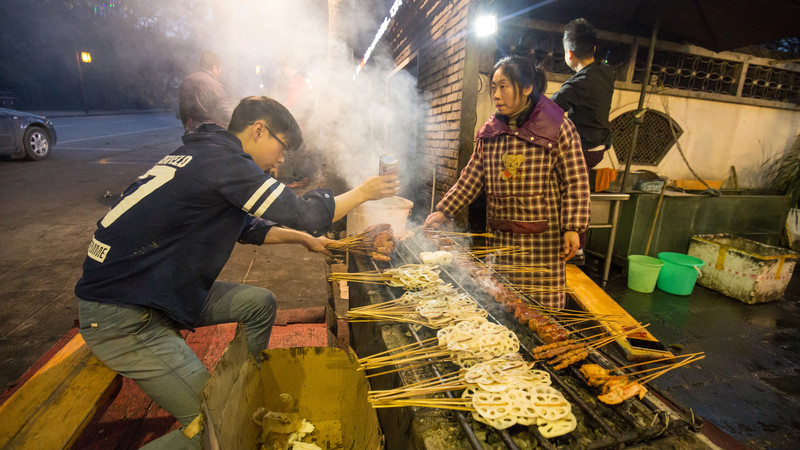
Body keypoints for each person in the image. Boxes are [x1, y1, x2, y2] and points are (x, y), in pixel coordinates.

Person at [75, 96, 399, 449]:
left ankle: (247, 386)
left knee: (258, 303)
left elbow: (249, 227)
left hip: (155, 287)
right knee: (214, 426)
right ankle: (232, 414)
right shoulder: (226, 161)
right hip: (124, 311)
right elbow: (307, 212)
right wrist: (364, 192)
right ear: (259, 130)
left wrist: (304, 240)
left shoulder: (208, 154)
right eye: (283, 147)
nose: (281, 159)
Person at [425, 56, 591, 310]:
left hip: (542, 245)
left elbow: (576, 181)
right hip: (501, 240)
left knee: (540, 313)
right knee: (501, 305)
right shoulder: (491, 133)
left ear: (526, 87)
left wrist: (573, 227)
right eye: (493, 87)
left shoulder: (559, 128)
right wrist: (444, 209)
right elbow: (471, 177)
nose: (496, 94)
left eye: (504, 86)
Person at [550, 18, 614, 171]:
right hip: (600, 147)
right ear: (594, 48)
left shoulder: (576, 84)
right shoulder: (606, 72)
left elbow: (548, 110)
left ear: (569, 54)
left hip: (584, 151)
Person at [179, 51, 234, 133]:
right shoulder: (215, 85)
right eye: (220, 69)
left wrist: (187, 127)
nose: (220, 72)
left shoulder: (186, 81)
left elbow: (182, 110)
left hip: (191, 131)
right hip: (211, 133)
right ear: (215, 67)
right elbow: (225, 111)